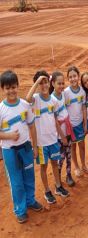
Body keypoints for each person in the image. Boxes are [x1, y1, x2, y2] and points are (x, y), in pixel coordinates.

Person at [0, 70, 43, 223]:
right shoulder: (1, 109)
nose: (11, 91)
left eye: (13, 87)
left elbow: (32, 127)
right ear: (2, 89)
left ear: (18, 86)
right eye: (7, 88)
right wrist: (9, 136)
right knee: (16, 181)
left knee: (29, 176)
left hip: (26, 147)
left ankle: (30, 201)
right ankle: (20, 209)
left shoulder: (25, 105)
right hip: (10, 151)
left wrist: (35, 147)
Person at [26, 70, 69, 204]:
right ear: (38, 85)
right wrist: (38, 80)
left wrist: (61, 136)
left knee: (55, 164)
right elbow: (27, 98)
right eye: (41, 83)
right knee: (44, 167)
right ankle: (46, 191)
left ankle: (58, 186)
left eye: (45, 82)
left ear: (49, 83)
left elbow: (55, 120)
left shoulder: (53, 101)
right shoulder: (35, 100)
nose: (44, 86)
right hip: (41, 143)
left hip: (53, 139)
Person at [64, 66, 88, 177]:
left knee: (82, 145)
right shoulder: (65, 93)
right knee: (72, 147)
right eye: (70, 77)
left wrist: (85, 124)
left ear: (78, 76)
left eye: (74, 76)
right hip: (70, 126)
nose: (73, 79)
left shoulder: (82, 92)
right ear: (68, 79)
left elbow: (84, 108)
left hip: (80, 124)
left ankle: (83, 165)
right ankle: (76, 167)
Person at [50, 71, 76, 187]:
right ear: (53, 83)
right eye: (58, 83)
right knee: (61, 157)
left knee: (69, 155)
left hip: (68, 130)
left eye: (62, 83)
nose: (61, 86)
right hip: (60, 135)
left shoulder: (62, 95)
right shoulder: (52, 99)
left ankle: (69, 175)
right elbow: (55, 121)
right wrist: (62, 136)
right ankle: (58, 178)